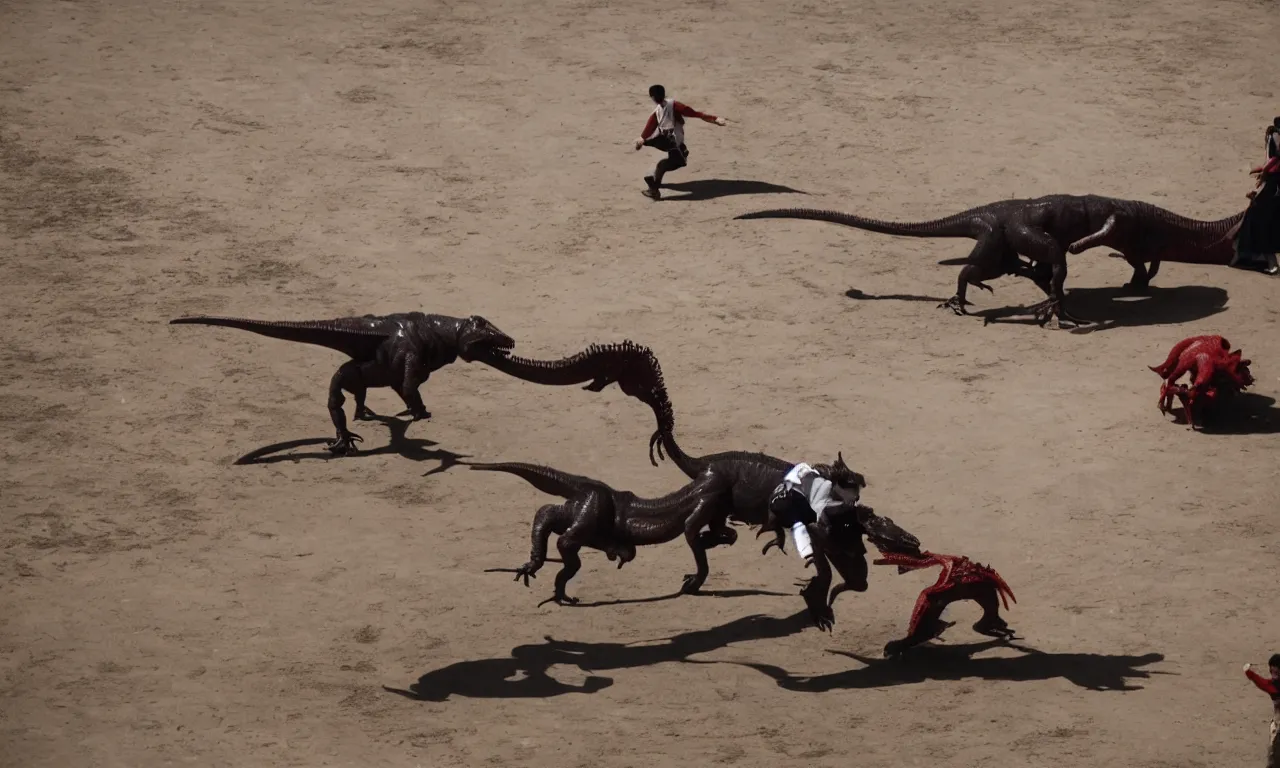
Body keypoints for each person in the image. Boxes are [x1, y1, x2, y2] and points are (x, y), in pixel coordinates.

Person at [632, 84, 727, 200]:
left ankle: (654, 187)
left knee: (664, 164)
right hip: (671, 143)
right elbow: (651, 125)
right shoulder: (660, 110)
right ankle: (655, 186)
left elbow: (694, 113)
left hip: (674, 145)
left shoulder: (673, 106)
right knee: (665, 164)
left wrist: (715, 119)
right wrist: (642, 139)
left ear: (652, 97)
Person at [767, 458, 866, 567]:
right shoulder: (822, 498)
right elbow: (817, 523)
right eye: (854, 491)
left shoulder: (830, 489)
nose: (856, 496)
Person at [1233, 149, 1280, 275]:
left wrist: (1265, 171)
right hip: (1273, 180)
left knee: (1262, 219)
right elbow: (1273, 157)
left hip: (1274, 182)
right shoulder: (1275, 133)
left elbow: (1277, 155)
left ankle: (1270, 261)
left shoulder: (1276, 133)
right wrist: (1264, 168)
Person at [1244, 656, 1280, 767]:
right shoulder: (1273, 685)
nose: (1273, 675)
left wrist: (1249, 673)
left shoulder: (1273, 686)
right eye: (1271, 671)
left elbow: (1262, 683)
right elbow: (1262, 683)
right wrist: (1250, 673)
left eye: (1276, 672)